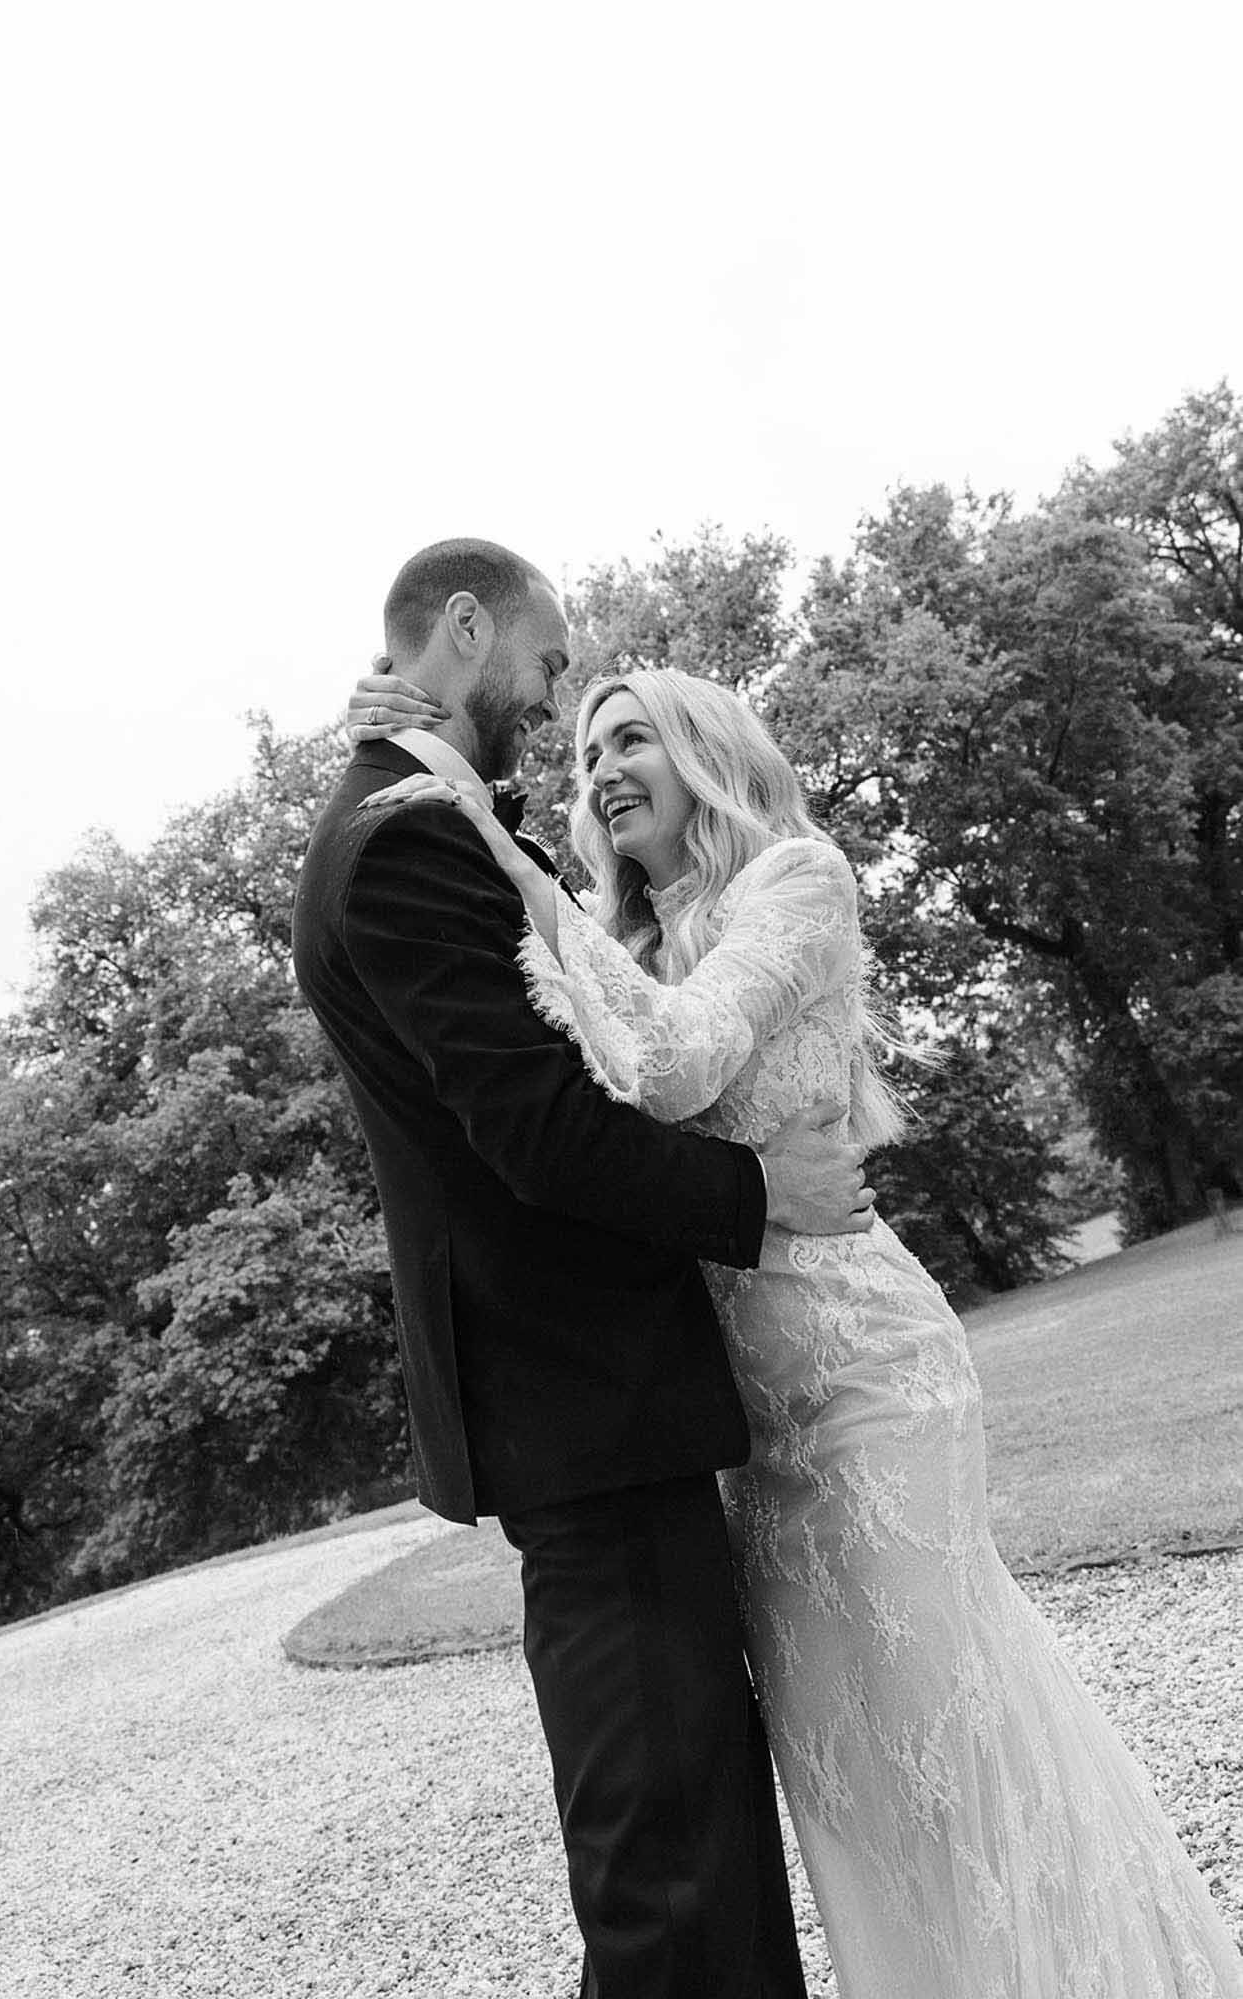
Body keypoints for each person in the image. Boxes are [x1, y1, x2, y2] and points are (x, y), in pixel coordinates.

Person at [352, 660, 1243, 1999]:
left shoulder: (796, 881)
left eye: (631, 736)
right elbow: (557, 1117)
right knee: (846, 1792)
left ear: (707, 748)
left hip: (862, 1378)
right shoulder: (619, 940)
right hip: (739, 1428)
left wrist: (480, 832)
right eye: (586, 752)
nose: (600, 771)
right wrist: (435, 770)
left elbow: (672, 1064)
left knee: (942, 1747)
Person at [292, 541, 881, 1999]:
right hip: (583, 1403)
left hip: (587, 1413)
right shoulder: (410, 835)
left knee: (683, 1847)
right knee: (671, 1882)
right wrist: (761, 1192)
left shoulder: (413, 816)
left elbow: (570, 1010)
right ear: (471, 628)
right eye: (552, 667)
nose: (558, 699)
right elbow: (543, 1133)